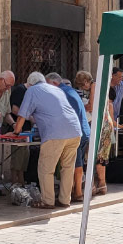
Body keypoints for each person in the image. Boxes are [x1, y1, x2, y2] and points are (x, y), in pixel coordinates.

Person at [13, 72, 82, 209]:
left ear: (30, 83)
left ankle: (48, 201)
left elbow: (22, 115)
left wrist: (16, 131)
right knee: (67, 168)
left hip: (55, 134)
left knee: (46, 169)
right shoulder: (57, 89)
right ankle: (64, 200)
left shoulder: (32, 90)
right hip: (74, 130)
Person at [46, 73, 90, 201]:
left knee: (72, 163)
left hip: (74, 132)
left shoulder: (61, 93)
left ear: (54, 83)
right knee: (78, 162)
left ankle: (74, 193)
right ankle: (76, 191)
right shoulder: (70, 91)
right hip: (83, 130)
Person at [7, 81, 32, 186]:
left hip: (26, 130)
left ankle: (21, 183)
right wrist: (31, 118)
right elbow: (15, 110)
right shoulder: (20, 90)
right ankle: (15, 184)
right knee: (17, 159)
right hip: (18, 130)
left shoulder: (29, 91)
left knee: (24, 159)